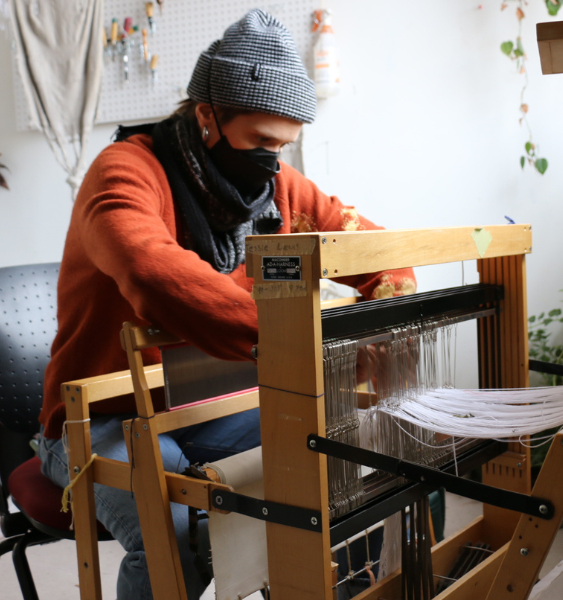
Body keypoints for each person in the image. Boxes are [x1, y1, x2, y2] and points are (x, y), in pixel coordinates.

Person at [36, 9, 416, 599]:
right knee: (176, 528)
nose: (273, 160)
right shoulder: (125, 174)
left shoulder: (277, 187)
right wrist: (305, 341)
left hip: (207, 404)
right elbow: (154, 270)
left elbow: (371, 246)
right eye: (262, 141)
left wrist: (389, 315)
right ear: (207, 115)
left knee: (325, 479)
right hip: (102, 417)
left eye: (284, 145)